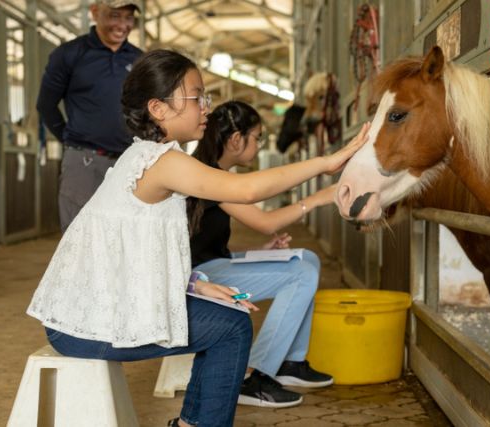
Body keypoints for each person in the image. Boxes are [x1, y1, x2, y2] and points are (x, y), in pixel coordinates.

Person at [26, 49, 370, 427]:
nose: (206, 107)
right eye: (196, 97)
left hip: (83, 314)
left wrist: (191, 284)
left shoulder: (147, 156)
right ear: (158, 109)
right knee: (232, 327)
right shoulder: (161, 162)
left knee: (227, 318)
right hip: (87, 324)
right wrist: (328, 162)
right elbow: (248, 190)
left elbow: (134, 251)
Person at [187, 101, 337, 408]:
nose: (258, 145)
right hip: (198, 278)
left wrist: (259, 253)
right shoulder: (210, 177)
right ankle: (252, 376)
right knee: (301, 274)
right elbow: (266, 222)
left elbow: (205, 243)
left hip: (216, 263)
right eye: (257, 137)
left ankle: (290, 363)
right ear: (235, 140)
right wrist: (318, 199)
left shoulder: (212, 172)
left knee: (307, 259)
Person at [36, 0, 143, 232]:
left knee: (126, 237)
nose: (122, 25)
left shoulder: (140, 60)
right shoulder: (69, 54)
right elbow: (45, 104)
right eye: (115, 16)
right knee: (79, 238)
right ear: (95, 12)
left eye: (128, 18)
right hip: (83, 162)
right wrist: (69, 139)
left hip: (129, 163)